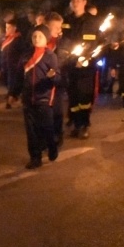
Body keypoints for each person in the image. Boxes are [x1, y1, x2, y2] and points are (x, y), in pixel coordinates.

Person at [62, 0, 101, 139]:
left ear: (84, 2)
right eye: (73, 0)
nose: (75, 2)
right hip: (70, 63)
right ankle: (76, 124)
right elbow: (63, 41)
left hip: (86, 65)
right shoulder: (66, 20)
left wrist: (85, 58)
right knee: (72, 95)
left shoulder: (93, 21)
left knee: (84, 95)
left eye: (78, 0)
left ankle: (85, 125)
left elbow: (97, 43)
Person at [19, 25, 59, 168]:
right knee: (31, 130)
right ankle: (35, 157)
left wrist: (52, 77)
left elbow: (58, 78)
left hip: (44, 97)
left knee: (47, 126)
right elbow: (19, 75)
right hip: (28, 98)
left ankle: (52, 146)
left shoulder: (50, 56)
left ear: (46, 38)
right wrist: (14, 92)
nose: (36, 39)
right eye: (34, 36)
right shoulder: (26, 55)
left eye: (40, 36)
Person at [45, 11, 71, 148]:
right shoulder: (40, 41)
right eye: (55, 27)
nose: (58, 30)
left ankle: (57, 134)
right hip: (43, 81)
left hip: (58, 81)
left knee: (57, 110)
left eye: (59, 26)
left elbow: (66, 59)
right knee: (44, 111)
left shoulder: (64, 42)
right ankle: (45, 136)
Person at [0, 18, 27, 109]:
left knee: (12, 83)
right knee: (6, 82)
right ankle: (12, 96)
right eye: (6, 27)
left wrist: (20, 64)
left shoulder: (18, 39)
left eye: (9, 27)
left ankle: (10, 99)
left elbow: (22, 53)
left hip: (14, 66)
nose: (7, 29)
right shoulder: (5, 38)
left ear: (14, 28)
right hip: (5, 65)